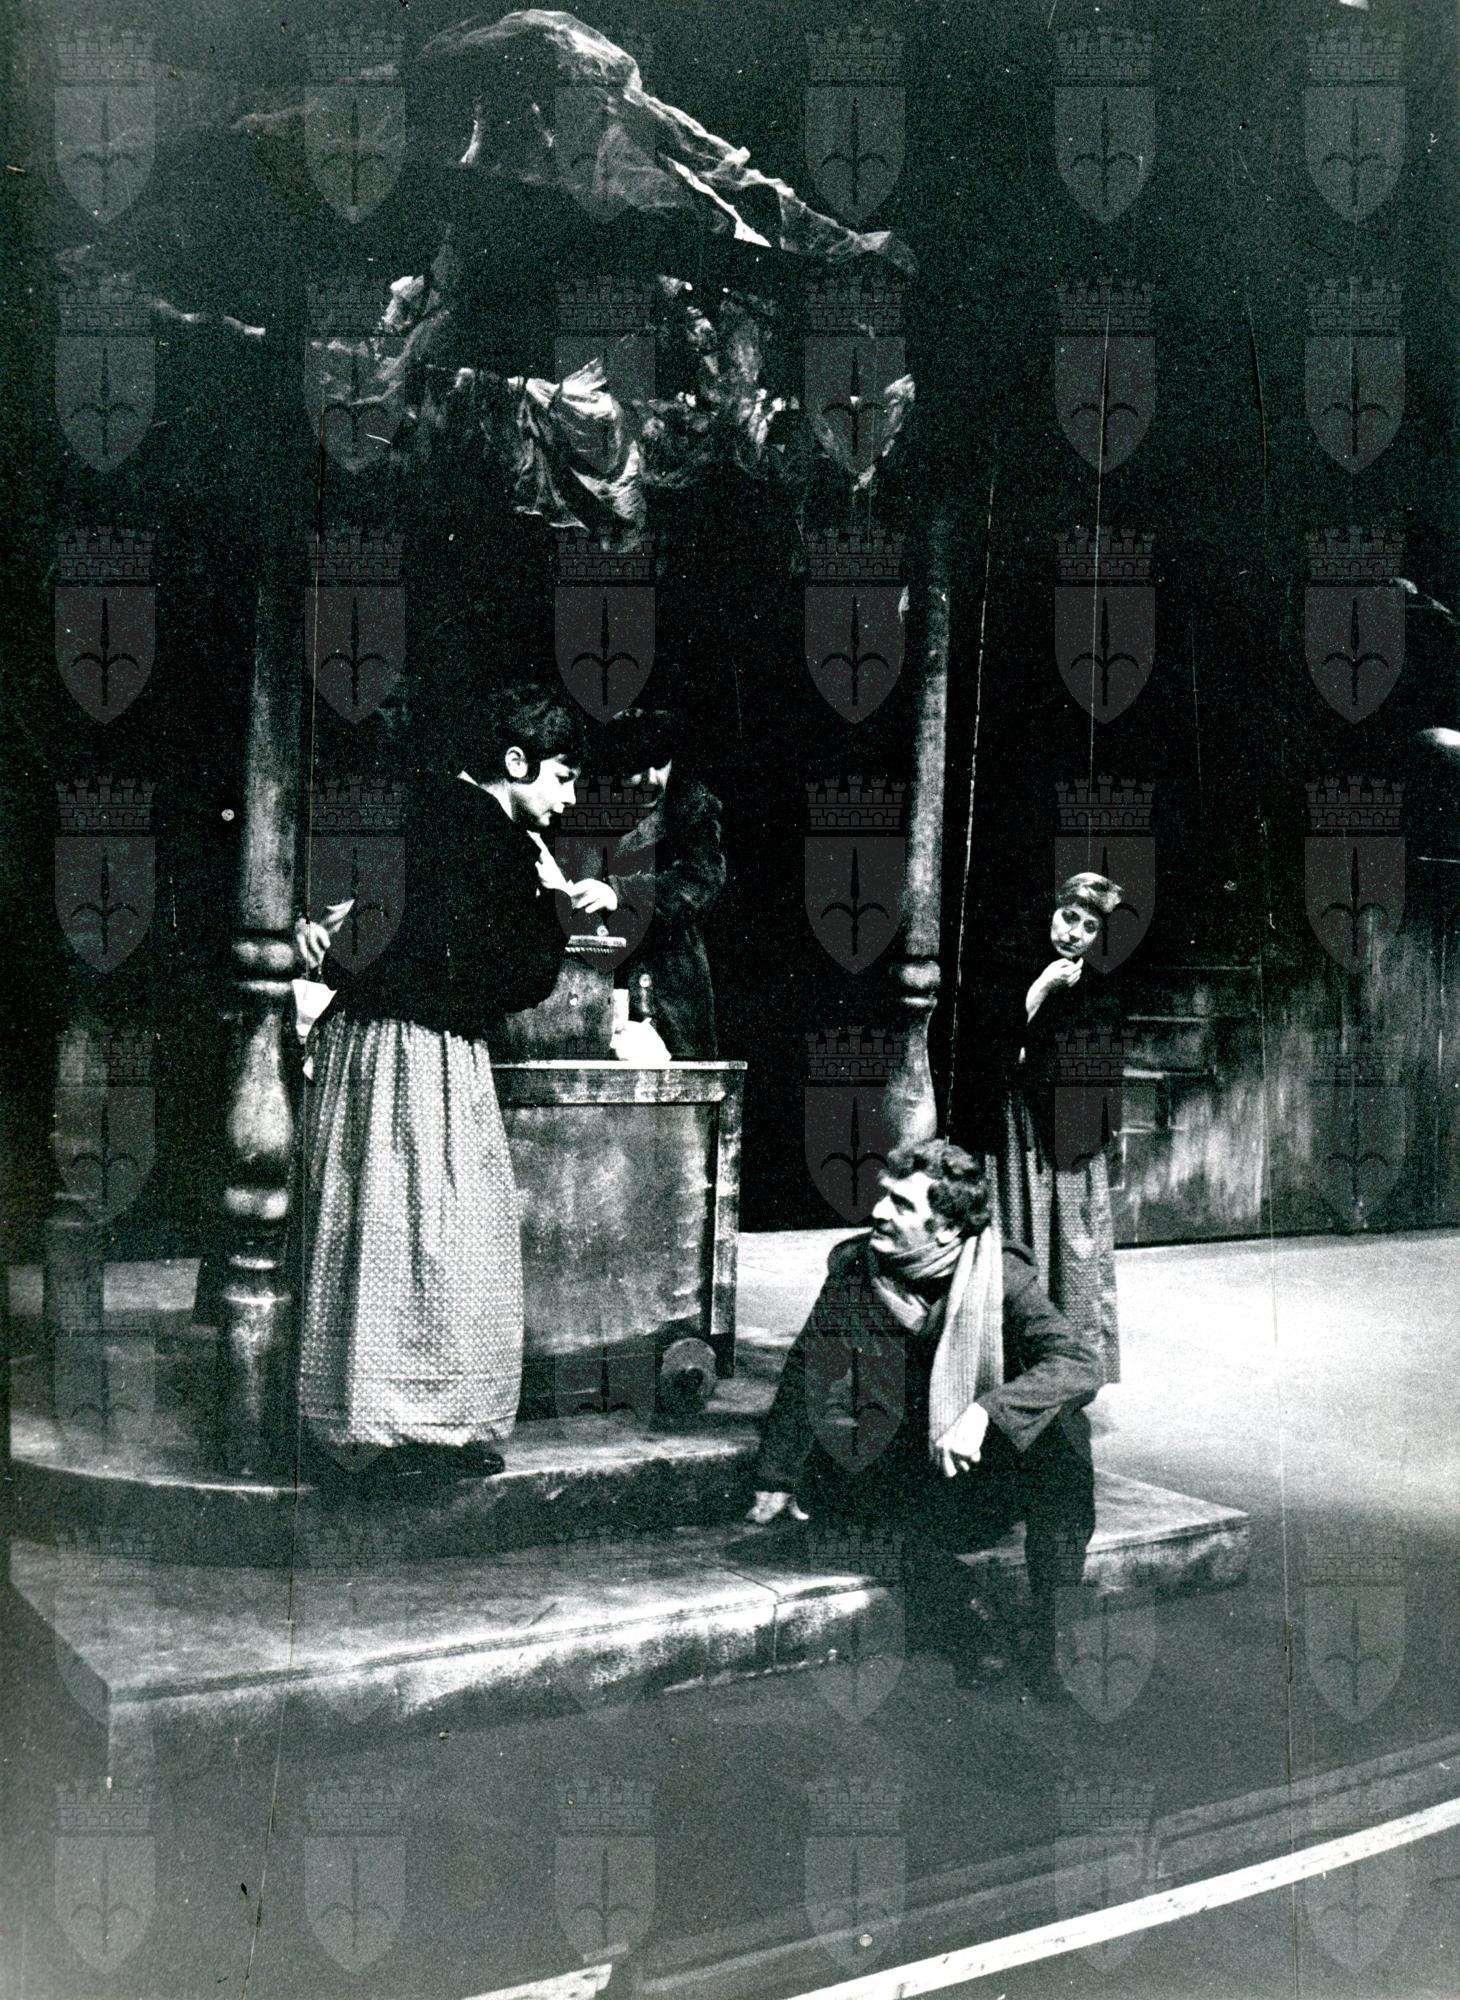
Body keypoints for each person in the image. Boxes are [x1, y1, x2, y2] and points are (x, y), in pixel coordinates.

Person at [292, 683, 612, 1481]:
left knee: (366, 1229)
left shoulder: (412, 806)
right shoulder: (495, 840)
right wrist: (552, 899)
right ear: (516, 761)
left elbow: (346, 925)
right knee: (436, 1236)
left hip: (359, 1047)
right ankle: (414, 1433)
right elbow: (522, 977)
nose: (570, 800)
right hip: (424, 1056)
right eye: (563, 777)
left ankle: (351, 1423)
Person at [746, 1139, 1102, 1695]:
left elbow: (1078, 1363)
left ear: (947, 1228)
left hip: (972, 1471)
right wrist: (776, 1473)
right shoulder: (855, 1271)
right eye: (884, 1196)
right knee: (832, 1511)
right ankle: (965, 1612)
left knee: (1061, 1434)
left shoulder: (1001, 1274)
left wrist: (985, 1411)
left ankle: (1053, 1633)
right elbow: (807, 1370)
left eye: (901, 1204)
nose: (878, 1212)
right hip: (901, 1474)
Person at [953, 873, 1126, 1385]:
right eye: (1069, 918)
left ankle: (1068, 1370)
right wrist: (1041, 988)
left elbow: (1100, 1075)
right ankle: (1004, 1367)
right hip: (1013, 1130)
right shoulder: (1005, 967)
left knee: (1071, 1244)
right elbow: (988, 1048)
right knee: (1015, 1233)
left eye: (1089, 927)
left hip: (1067, 1139)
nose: (1075, 933)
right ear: (1050, 913)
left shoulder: (1099, 990)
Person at [598, 706, 727, 1059]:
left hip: (669, 980)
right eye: (637, 768)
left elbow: (701, 879)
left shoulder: (691, 807)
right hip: (602, 980)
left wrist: (619, 891)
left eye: (661, 763)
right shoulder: (584, 809)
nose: (652, 779)